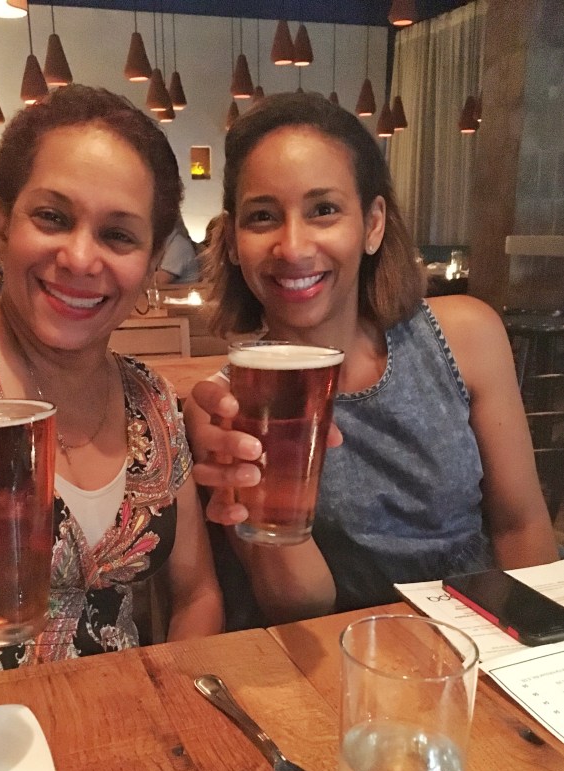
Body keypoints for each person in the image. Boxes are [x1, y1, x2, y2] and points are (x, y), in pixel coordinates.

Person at [0, 85, 223, 689]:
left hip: (112, 738)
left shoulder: (154, 403)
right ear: (1, 223)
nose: (81, 258)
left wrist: (174, 714)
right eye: (53, 217)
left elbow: (196, 596)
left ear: (149, 263)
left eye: (119, 235)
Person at [184, 91, 558, 624]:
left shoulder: (466, 334)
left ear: (373, 223)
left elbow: (521, 527)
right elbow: (299, 605)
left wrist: (537, 649)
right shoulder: (223, 406)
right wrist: (258, 497)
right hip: (346, 659)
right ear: (233, 240)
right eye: (262, 216)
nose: (292, 246)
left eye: (324, 210)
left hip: (486, 641)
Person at [155, 215, 200, 285]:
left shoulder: (178, 245)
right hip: (176, 294)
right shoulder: (168, 242)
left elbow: (160, 281)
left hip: (183, 294)